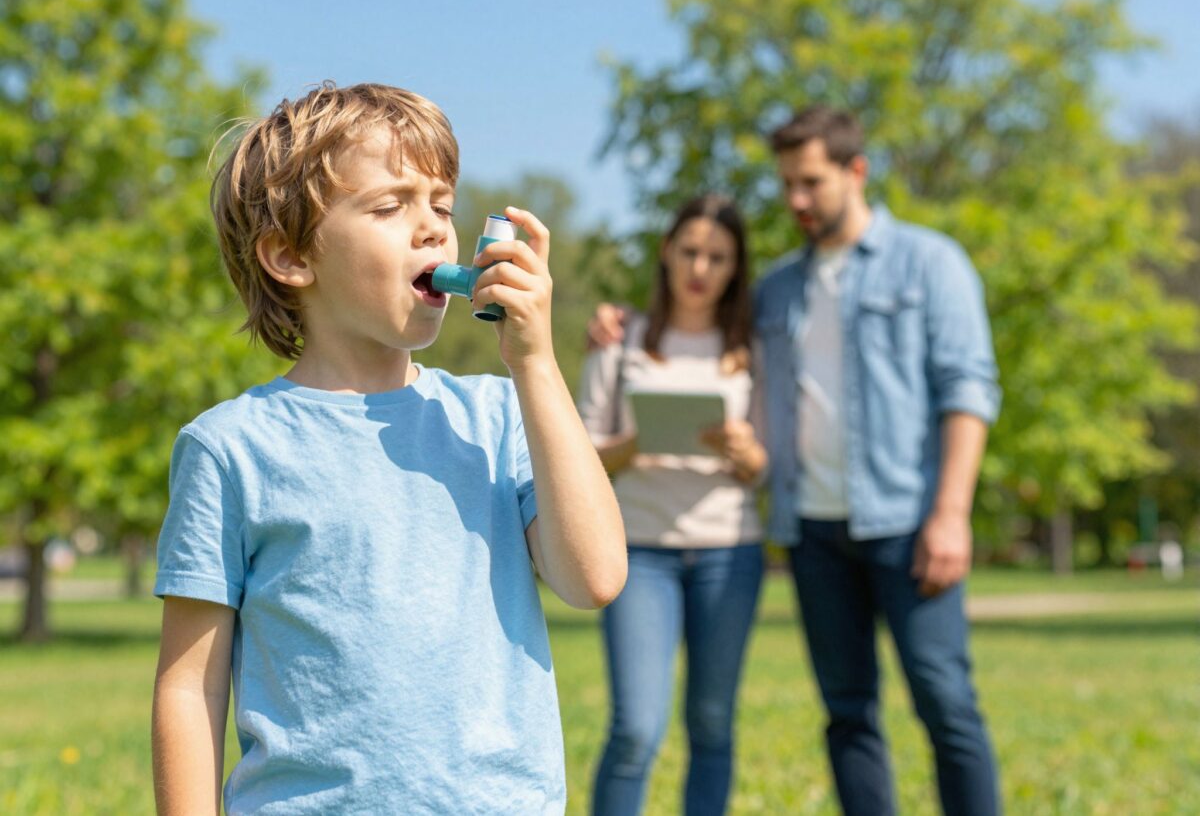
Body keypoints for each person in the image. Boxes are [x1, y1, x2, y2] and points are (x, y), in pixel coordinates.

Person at [151, 82, 627, 815]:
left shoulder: (498, 414)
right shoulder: (230, 448)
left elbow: (593, 577)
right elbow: (190, 685)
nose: (433, 229)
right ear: (289, 256)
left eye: (441, 203)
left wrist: (536, 363)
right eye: (389, 206)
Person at [589, 106, 1002, 816]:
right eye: (786, 185)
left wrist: (951, 514)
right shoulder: (776, 290)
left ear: (856, 170)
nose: (796, 202)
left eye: (810, 182)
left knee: (946, 702)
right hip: (813, 532)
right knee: (847, 711)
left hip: (907, 522)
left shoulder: (931, 264)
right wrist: (614, 321)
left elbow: (968, 388)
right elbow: (698, 327)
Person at [578, 194, 768, 816]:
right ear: (666, 251)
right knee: (635, 727)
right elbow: (577, 455)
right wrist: (636, 443)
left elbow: (766, 466)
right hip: (639, 553)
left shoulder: (752, 349)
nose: (701, 268)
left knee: (712, 724)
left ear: (736, 268)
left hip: (728, 551)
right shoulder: (619, 336)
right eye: (689, 250)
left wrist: (744, 451)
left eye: (718, 257)